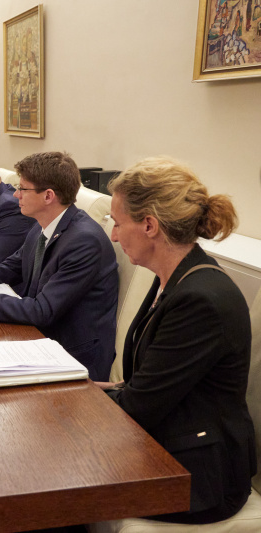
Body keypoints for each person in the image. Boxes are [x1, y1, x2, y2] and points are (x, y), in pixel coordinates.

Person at [100, 157, 255, 524]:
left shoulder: (200, 299)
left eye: (118, 224)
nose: (114, 235)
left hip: (200, 476)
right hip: (172, 441)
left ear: (150, 225)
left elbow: (140, 405)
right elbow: (153, 383)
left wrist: (79, 400)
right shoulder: (174, 277)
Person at [0, 151, 118, 381]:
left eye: (23, 189)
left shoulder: (84, 240)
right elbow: (7, 268)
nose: (15, 195)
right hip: (38, 339)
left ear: (48, 196)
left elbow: (42, 311)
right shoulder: (41, 226)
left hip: (73, 356)